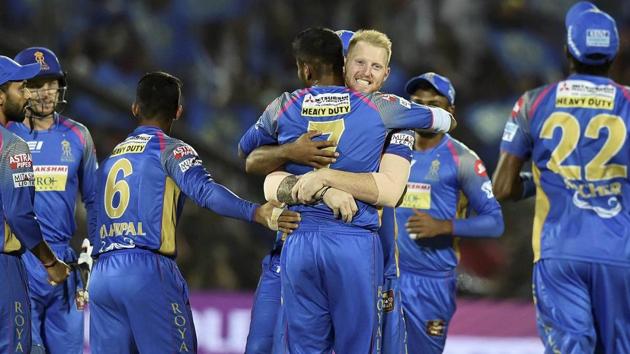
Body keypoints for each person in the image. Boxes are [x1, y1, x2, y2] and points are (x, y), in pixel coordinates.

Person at [239, 27, 453, 353]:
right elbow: (264, 174)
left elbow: (391, 190)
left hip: (359, 251)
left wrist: (324, 178)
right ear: (341, 63)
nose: (363, 72)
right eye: (356, 61)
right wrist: (296, 160)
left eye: (375, 66)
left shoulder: (389, 120)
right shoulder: (384, 112)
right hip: (296, 249)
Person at [88, 71, 300, 354]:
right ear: (178, 111)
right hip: (146, 272)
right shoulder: (171, 150)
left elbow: (93, 212)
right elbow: (206, 192)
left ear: (135, 108)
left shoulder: (110, 157)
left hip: (102, 275)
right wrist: (256, 212)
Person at [492, 3, 630, 352]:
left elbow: (502, 187)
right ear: (614, 54)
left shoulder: (533, 102)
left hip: (560, 252)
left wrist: (545, 180)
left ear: (567, 49)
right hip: (621, 255)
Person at [397, 72, 503, 353]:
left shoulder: (463, 160)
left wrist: (444, 226)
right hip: (385, 277)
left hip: (431, 281)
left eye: (434, 103)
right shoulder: (389, 150)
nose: (424, 110)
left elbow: (495, 222)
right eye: (417, 102)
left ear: (450, 112)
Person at [9, 46, 97, 354]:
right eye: (35, 84)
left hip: (65, 264)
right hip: (18, 263)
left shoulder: (78, 135)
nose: (46, 92)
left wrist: (96, 252)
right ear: (20, 88)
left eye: (52, 82)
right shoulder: (7, 137)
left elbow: (94, 201)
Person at [0, 56, 70, 353]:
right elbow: (19, 214)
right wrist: (50, 262)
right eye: (20, 88)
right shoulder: (12, 145)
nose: (28, 95)